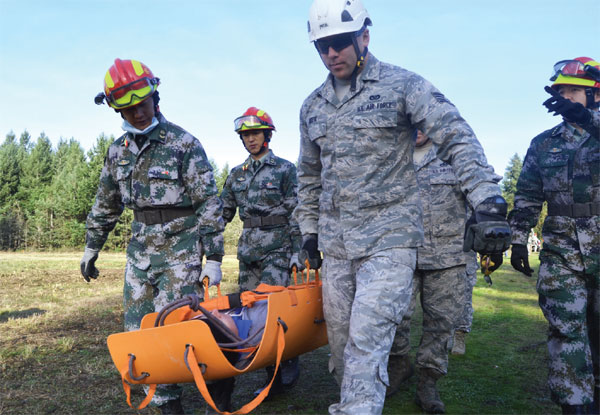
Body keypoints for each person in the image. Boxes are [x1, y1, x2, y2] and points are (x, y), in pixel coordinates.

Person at [295, 1, 511, 414]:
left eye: (339, 43)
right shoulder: (312, 106)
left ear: (364, 37)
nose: (331, 54)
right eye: (321, 47)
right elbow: (308, 175)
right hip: (338, 247)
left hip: (390, 240)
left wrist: (487, 199)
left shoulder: (403, 86)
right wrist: (308, 232)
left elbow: (455, 135)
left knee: (366, 341)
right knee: (341, 349)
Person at [80, 58, 225, 414]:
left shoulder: (183, 144)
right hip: (140, 252)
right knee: (138, 329)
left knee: (174, 326)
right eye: (128, 110)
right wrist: (91, 246)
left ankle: (217, 380)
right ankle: (166, 402)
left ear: (155, 98)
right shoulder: (118, 152)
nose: (137, 114)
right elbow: (106, 202)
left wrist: (216, 258)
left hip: (181, 250)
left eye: (142, 105)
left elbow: (208, 202)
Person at [508, 56, 600, 415]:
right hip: (562, 252)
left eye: (573, 91)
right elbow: (528, 194)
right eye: (560, 91)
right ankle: (575, 408)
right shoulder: (544, 143)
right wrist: (518, 238)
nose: (565, 98)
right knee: (566, 333)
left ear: (594, 95)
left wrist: (587, 120)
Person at [387, 131, 493, 413]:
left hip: (449, 257)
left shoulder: (455, 155)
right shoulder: (392, 156)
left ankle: (428, 382)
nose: (418, 129)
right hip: (402, 254)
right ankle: (398, 364)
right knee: (393, 316)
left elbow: (481, 192)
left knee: (441, 323)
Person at [218, 107, 303, 410]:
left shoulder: (284, 169)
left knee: (273, 310)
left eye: (255, 133)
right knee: (248, 309)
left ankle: (281, 366)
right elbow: (222, 214)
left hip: (278, 250)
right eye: (245, 135)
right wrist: (206, 245)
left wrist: (298, 249)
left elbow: (296, 211)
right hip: (249, 252)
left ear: (267, 135)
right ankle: (257, 360)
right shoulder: (236, 175)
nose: (250, 139)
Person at [451, 252, 479, 356]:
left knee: (464, 300)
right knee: (439, 300)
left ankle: (459, 335)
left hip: (465, 256)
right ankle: (444, 334)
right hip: (435, 256)